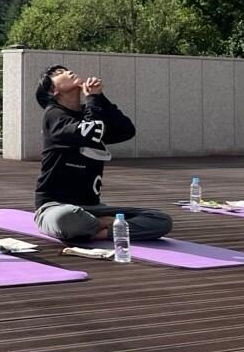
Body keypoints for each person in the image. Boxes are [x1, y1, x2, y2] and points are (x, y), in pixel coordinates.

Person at [33, 65, 172, 242]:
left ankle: (100, 230)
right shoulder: (53, 115)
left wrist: (98, 97)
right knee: (67, 218)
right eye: (58, 74)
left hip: (93, 208)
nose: (68, 72)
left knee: (161, 220)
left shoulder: (92, 110)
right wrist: (92, 100)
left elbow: (126, 130)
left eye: (65, 70)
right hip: (55, 207)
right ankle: (107, 226)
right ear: (53, 90)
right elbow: (91, 132)